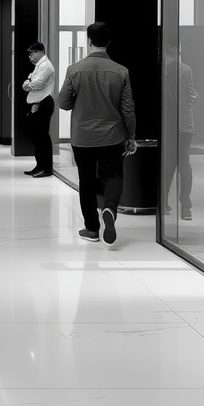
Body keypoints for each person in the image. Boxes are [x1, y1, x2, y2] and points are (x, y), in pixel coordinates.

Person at [57, 22, 137, 243]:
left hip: (83, 137)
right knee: (113, 175)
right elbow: (128, 108)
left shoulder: (74, 70)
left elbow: (63, 102)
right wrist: (130, 135)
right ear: (109, 42)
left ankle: (92, 229)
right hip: (112, 136)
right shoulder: (121, 71)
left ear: (88, 40)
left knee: (86, 180)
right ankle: (110, 209)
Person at [164, 42, 197, 220]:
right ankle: (185, 206)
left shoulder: (164, 71)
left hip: (168, 124)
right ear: (178, 51)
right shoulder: (185, 70)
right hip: (184, 124)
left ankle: (164, 203)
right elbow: (191, 94)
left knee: (168, 164)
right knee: (184, 163)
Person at [22, 41, 56, 178]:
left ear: (40, 52)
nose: (30, 56)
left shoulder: (45, 66)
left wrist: (27, 84)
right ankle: (39, 165)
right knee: (38, 137)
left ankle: (46, 168)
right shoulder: (39, 66)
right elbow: (29, 81)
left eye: (32, 53)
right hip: (38, 102)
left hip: (43, 102)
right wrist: (28, 83)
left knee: (42, 137)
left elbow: (37, 83)